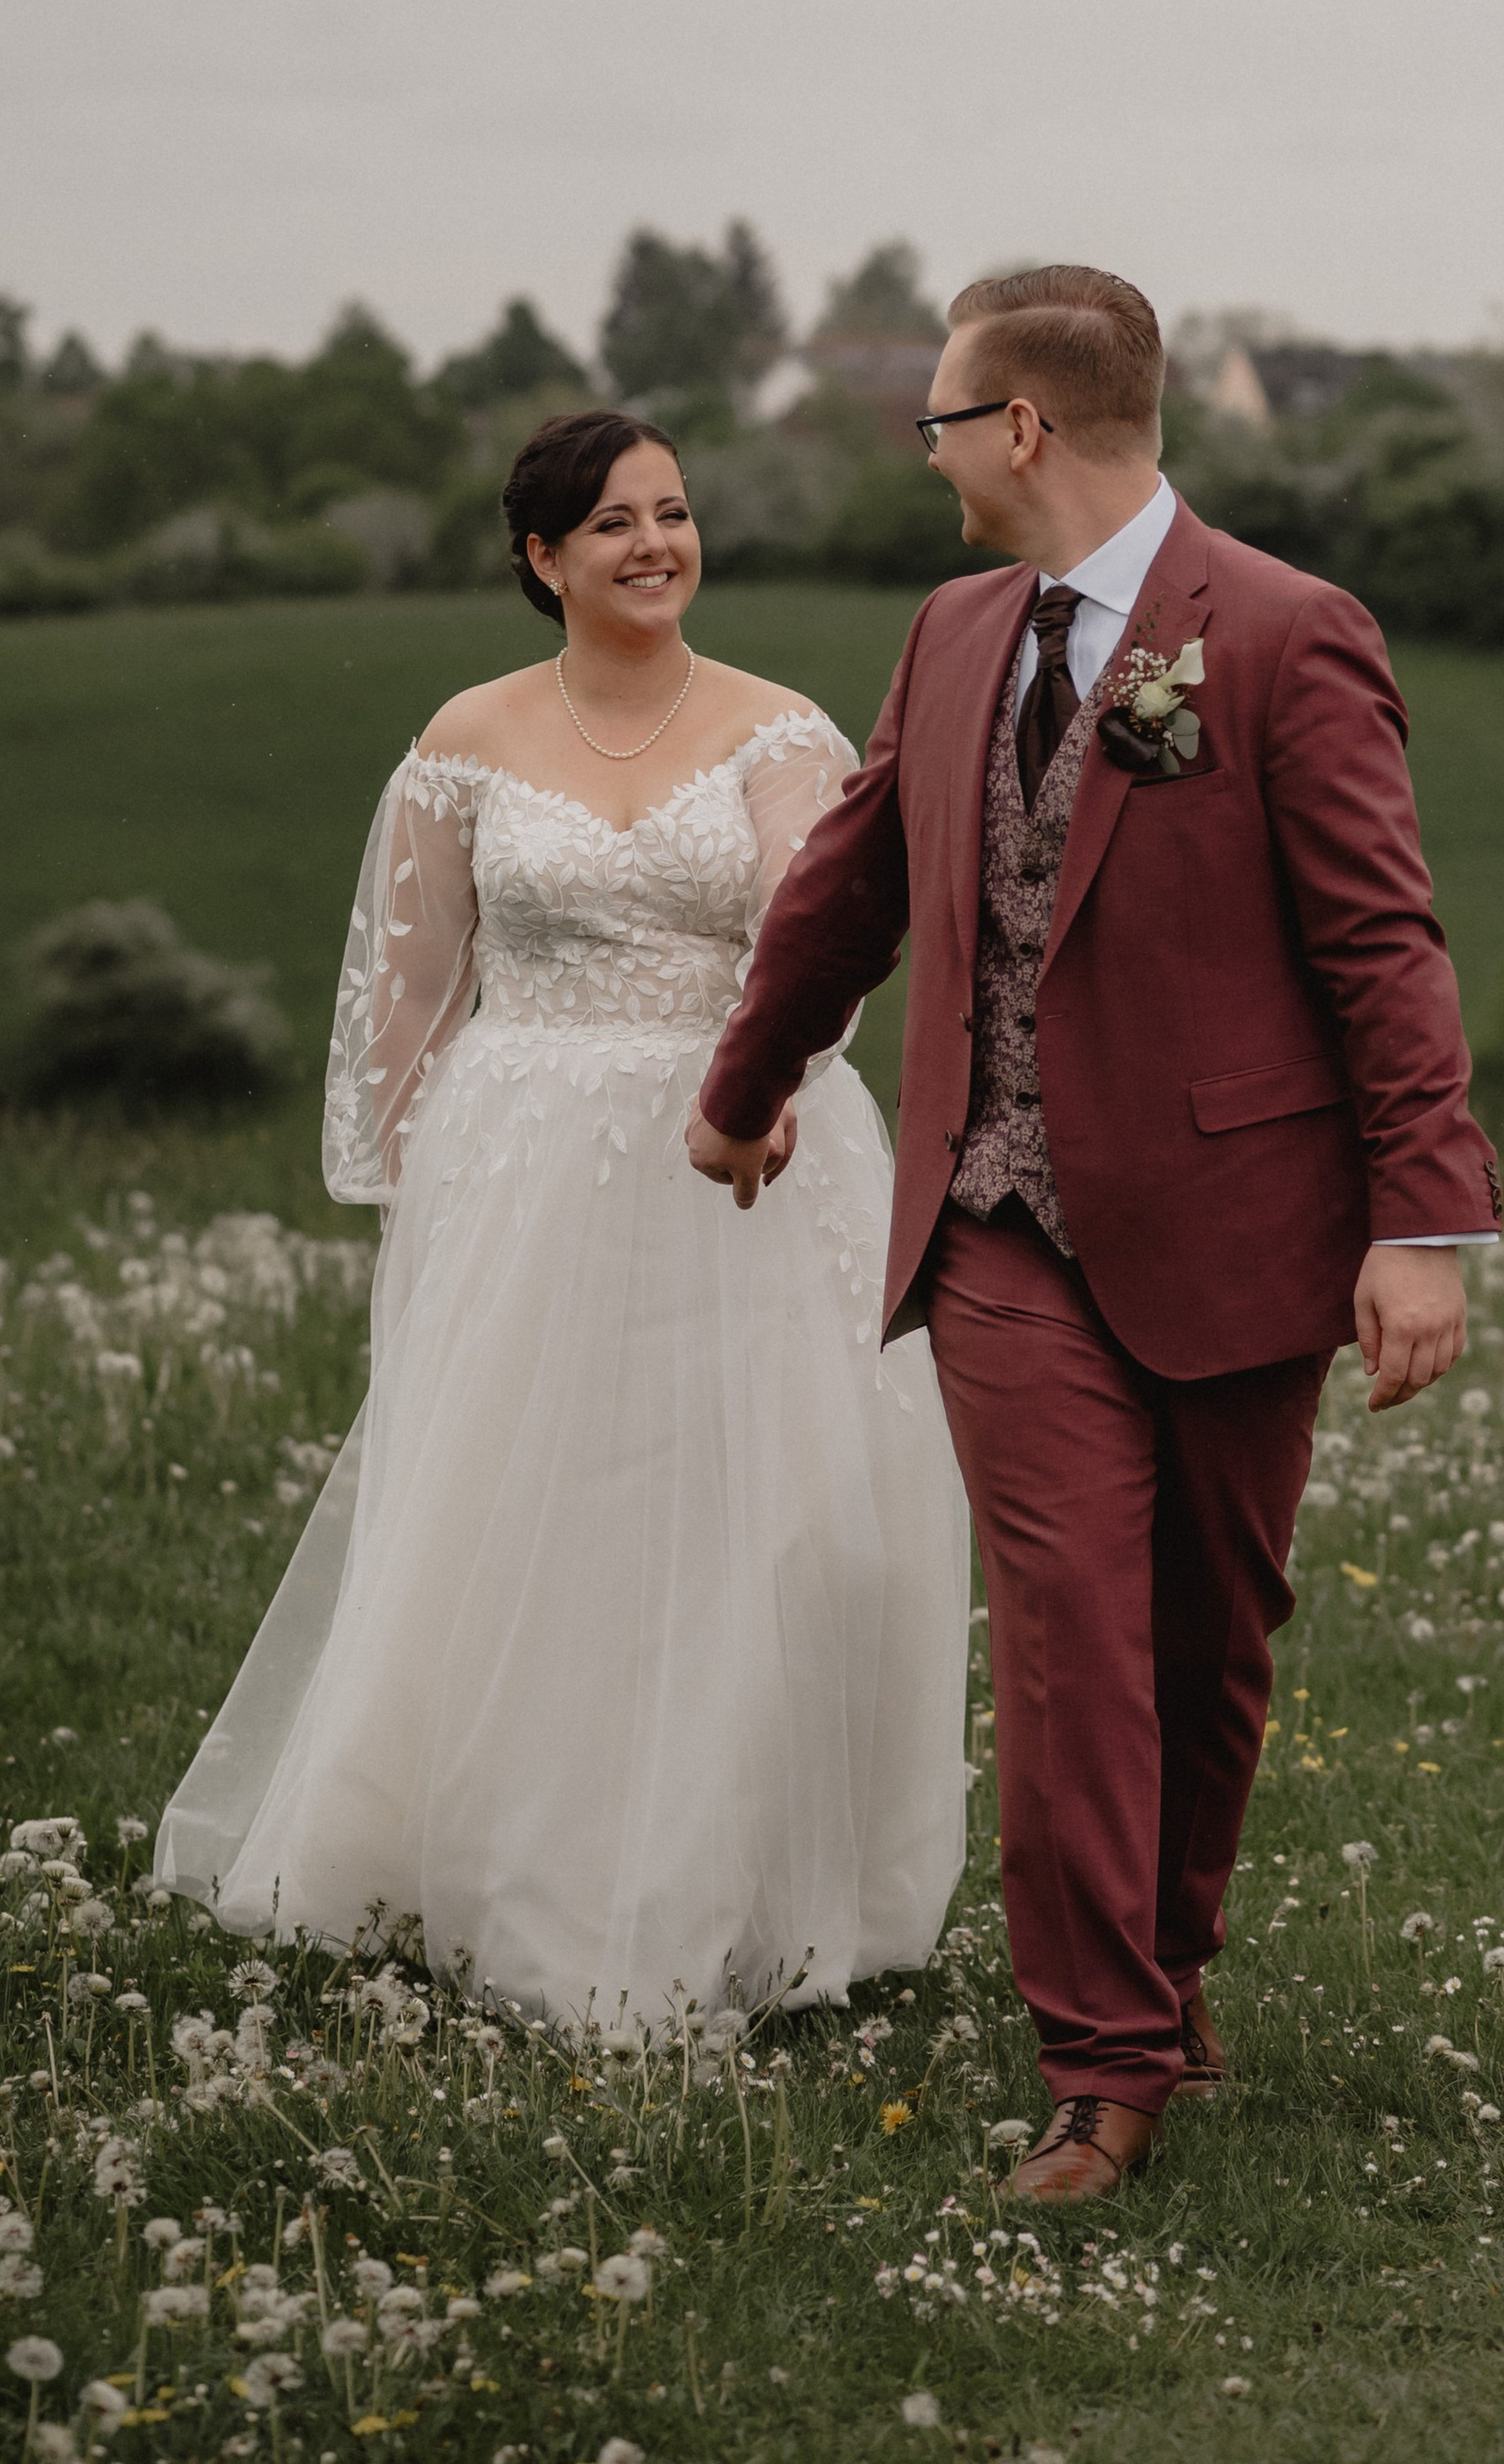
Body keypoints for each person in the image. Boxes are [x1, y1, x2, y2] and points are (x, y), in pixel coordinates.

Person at [690, 265, 1498, 2198]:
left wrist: (1423, 1220)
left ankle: (1170, 1964)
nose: (935, 459)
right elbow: (854, 869)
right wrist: (746, 1075)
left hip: (1235, 1220)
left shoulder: (1285, 634)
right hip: (995, 1217)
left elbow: (1379, 943)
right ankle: (1102, 2061)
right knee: (1067, 1633)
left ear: (1022, 429)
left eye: (943, 422)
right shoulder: (953, 628)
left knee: (1209, 1640)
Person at [156, 410, 970, 2032]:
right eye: (614, 524)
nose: (656, 544)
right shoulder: (467, 737)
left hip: (740, 1151)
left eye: (673, 514)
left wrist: (775, 1079)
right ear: (542, 557)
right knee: (522, 1507)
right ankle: (487, 1858)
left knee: (761, 1519)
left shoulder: (778, 731)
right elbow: (406, 991)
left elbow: (815, 933)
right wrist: (430, 1190)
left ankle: (735, 1881)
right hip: (523, 1164)